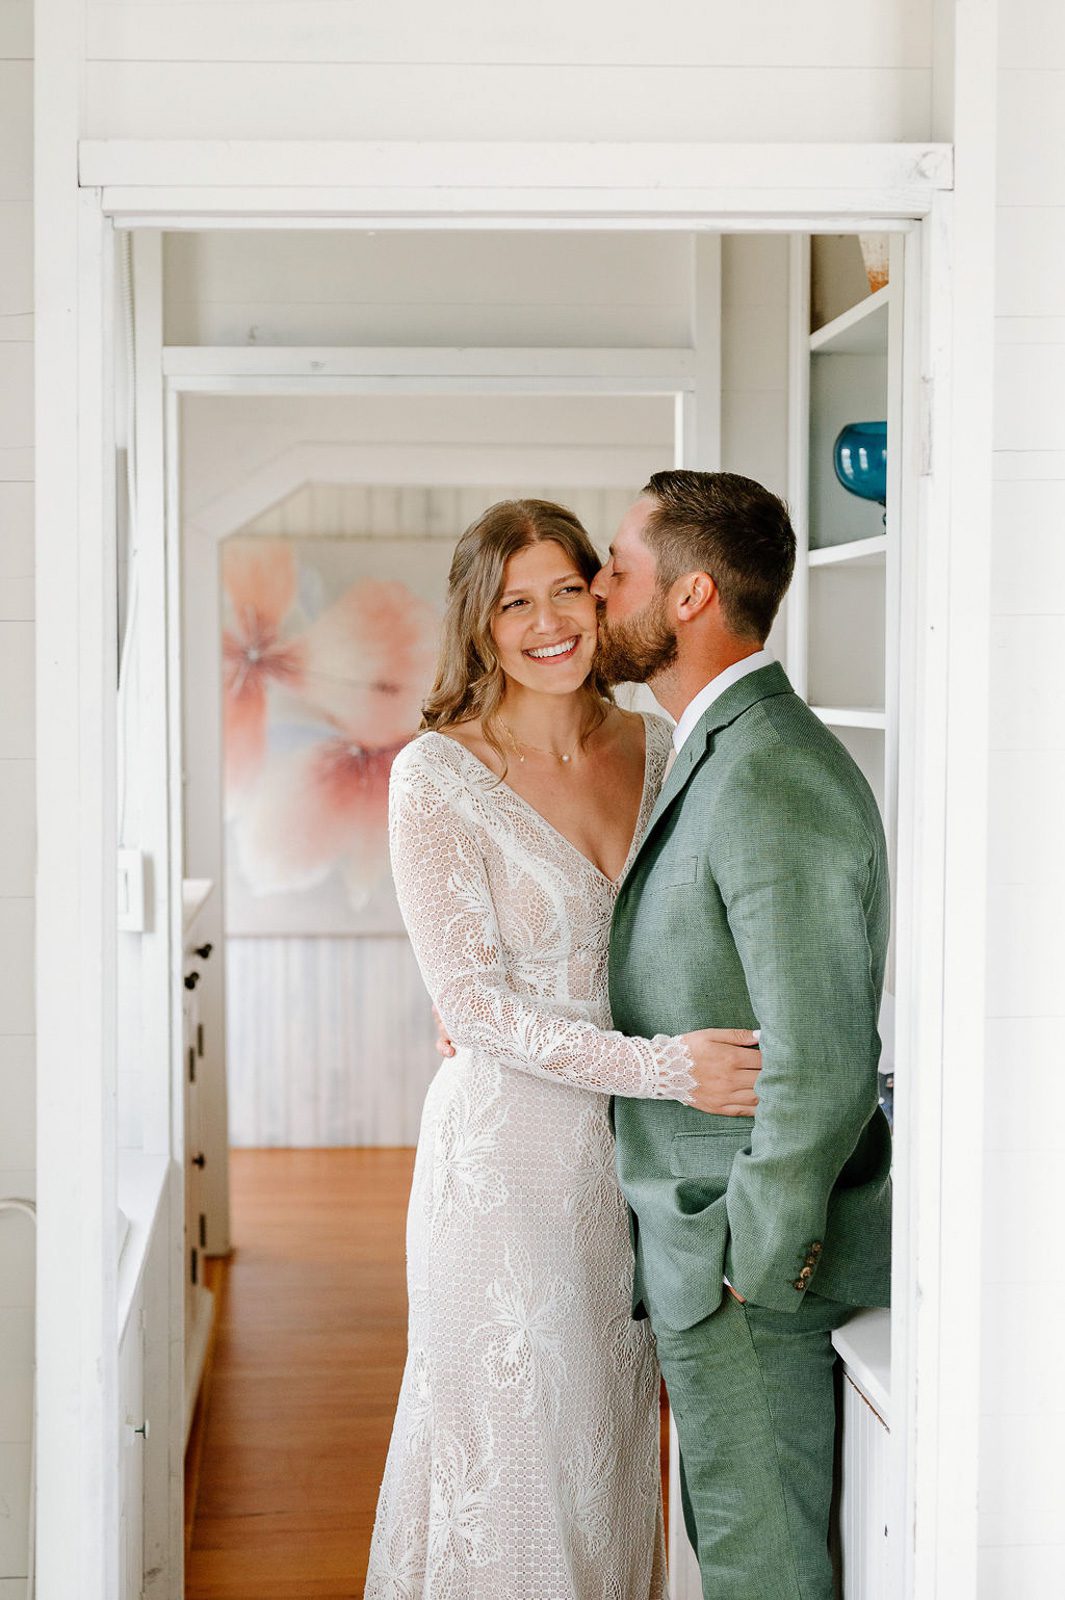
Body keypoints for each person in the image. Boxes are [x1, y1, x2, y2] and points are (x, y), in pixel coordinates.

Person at [364, 498, 762, 1600]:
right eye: (514, 602)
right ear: (479, 624)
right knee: (517, 1481)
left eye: (568, 590)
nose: (548, 623)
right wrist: (674, 1067)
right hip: (504, 1177)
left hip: (637, 1173)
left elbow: (701, 930)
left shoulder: (665, 747)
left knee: (612, 1465)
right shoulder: (435, 777)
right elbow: (480, 1011)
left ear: (602, 594)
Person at [593, 470, 892, 1600]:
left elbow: (819, 1064)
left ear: (691, 595)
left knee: (761, 1577)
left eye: (622, 565)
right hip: (705, 1254)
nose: (600, 584)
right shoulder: (712, 748)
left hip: (745, 1271)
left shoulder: (769, 770)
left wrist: (747, 1268)